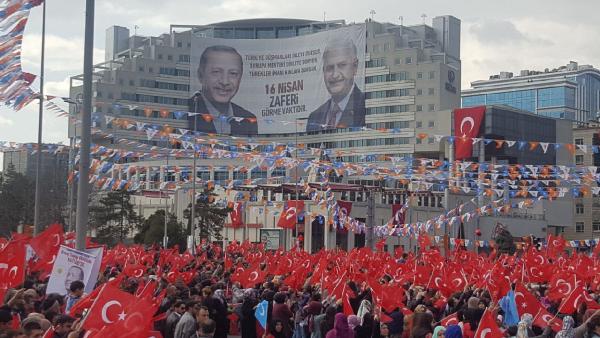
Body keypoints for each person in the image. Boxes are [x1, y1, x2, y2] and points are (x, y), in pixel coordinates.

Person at [189, 45, 257, 135]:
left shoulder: (248, 119)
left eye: (233, 73)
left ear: (240, 78)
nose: (225, 82)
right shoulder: (187, 111)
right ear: (201, 75)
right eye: (216, 72)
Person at [306, 39, 365, 132]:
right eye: (329, 68)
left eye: (342, 65)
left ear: (355, 67)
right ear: (323, 71)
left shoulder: (366, 106)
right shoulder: (314, 117)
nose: (335, 75)